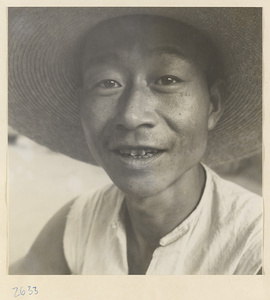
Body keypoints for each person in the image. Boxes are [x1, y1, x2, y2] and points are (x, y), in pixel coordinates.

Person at [8, 7, 262, 275]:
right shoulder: (76, 225)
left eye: (167, 79)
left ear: (213, 104)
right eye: (107, 82)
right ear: (81, 103)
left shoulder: (253, 247)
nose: (132, 115)